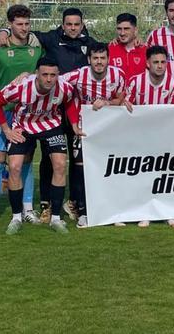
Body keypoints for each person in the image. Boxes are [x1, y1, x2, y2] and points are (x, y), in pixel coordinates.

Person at [0, 7, 97, 223]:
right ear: (62, 24)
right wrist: (4, 30)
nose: (72, 28)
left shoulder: (89, 43)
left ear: (82, 25)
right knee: (48, 159)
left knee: (76, 160)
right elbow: (23, 31)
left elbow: (102, 57)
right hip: (50, 110)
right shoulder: (51, 37)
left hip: (77, 109)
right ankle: (46, 204)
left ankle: (76, 203)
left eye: (76, 24)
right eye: (68, 24)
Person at [0, 58, 80, 235]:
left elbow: (70, 101)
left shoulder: (64, 87)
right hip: (23, 126)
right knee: (14, 167)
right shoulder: (21, 87)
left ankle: (55, 218)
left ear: (58, 75)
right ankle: (16, 217)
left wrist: (75, 124)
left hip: (51, 125)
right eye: (45, 74)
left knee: (60, 165)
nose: (49, 79)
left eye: (53, 75)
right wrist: (7, 130)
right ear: (36, 74)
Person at [0, 4, 42, 229]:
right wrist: (2, 32)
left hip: (27, 116)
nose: (24, 28)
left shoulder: (37, 47)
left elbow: (48, 70)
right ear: (10, 24)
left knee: (25, 162)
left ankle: (27, 209)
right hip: (2, 112)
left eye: (27, 24)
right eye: (19, 24)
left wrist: (33, 73)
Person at [61, 42, 126, 228]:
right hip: (83, 128)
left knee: (110, 168)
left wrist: (107, 102)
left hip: (108, 129)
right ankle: (83, 212)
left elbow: (120, 98)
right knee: (82, 169)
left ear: (108, 59)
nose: (99, 62)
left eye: (103, 58)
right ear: (89, 59)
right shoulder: (78, 75)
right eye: (95, 58)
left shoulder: (117, 75)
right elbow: (54, 80)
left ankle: (111, 211)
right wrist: (26, 77)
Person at [124, 45, 174, 227]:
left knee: (165, 175)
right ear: (148, 64)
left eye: (163, 62)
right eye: (156, 62)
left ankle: (168, 213)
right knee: (144, 175)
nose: (160, 66)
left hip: (165, 137)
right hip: (141, 137)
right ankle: (145, 213)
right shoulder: (136, 82)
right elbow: (126, 105)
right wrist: (124, 105)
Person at [109, 13, 147, 79]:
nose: (122, 33)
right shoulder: (109, 50)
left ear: (135, 30)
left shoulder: (146, 51)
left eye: (126, 29)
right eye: (119, 29)